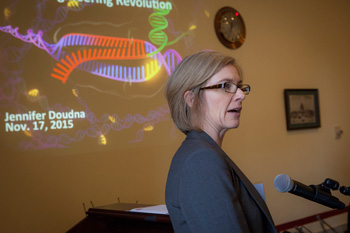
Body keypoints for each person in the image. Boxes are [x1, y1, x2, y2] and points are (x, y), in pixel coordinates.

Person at [165, 51, 278, 233]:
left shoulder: (203, 152)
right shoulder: (200, 160)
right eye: (226, 86)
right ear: (191, 99)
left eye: (240, 86)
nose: (241, 95)